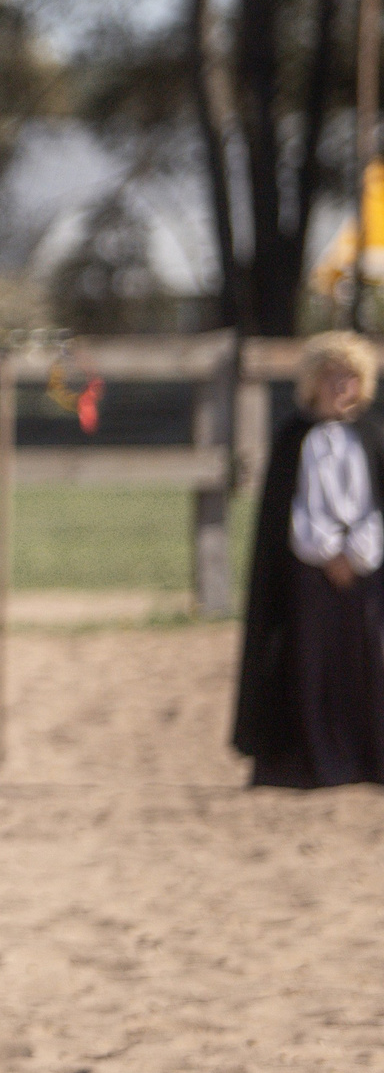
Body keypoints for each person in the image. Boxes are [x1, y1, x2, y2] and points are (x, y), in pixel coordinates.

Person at [235, 330, 384, 788]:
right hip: (307, 572)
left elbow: (374, 504)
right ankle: (310, 760)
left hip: (365, 569)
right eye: (332, 376)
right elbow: (291, 510)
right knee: (309, 662)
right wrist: (326, 553)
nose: (342, 387)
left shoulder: (373, 436)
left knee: (366, 662)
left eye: (350, 378)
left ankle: (365, 758)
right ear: (313, 382)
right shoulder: (293, 439)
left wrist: (358, 552)